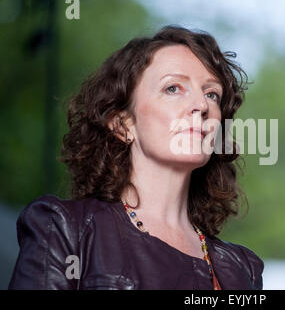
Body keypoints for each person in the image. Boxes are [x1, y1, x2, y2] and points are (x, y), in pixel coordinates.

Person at [8, 25, 264, 290]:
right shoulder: (64, 230)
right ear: (123, 124)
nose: (201, 105)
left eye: (212, 94)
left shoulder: (243, 269)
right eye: (173, 88)